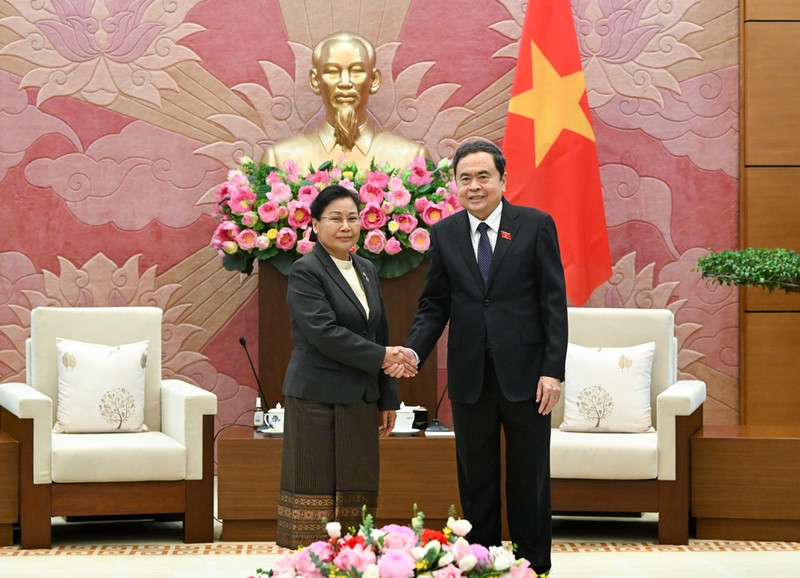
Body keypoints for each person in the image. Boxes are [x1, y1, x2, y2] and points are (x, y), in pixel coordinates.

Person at [398, 139, 568, 575]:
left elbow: (553, 304)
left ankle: (534, 567)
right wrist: (414, 350)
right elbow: (435, 304)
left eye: (483, 177)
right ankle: (483, 564)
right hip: (470, 374)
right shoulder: (445, 232)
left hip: (528, 377)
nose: (474, 186)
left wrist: (553, 371)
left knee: (529, 477)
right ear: (455, 184)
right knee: (477, 478)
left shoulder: (534, 225)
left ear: (502, 180)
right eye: (465, 178)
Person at [276, 184, 414, 548]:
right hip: (315, 400)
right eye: (335, 218)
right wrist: (384, 356)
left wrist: (388, 399)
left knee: (356, 493)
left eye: (353, 218)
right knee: (314, 495)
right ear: (316, 225)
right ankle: (309, 567)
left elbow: (379, 331)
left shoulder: (366, 268)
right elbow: (324, 333)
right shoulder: (306, 271)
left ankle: (352, 565)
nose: (346, 226)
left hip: (359, 400)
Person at [264, 31, 429, 171]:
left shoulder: (412, 159)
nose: (344, 83)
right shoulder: (279, 159)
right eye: (332, 72)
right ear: (315, 80)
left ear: (374, 79)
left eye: (356, 71)